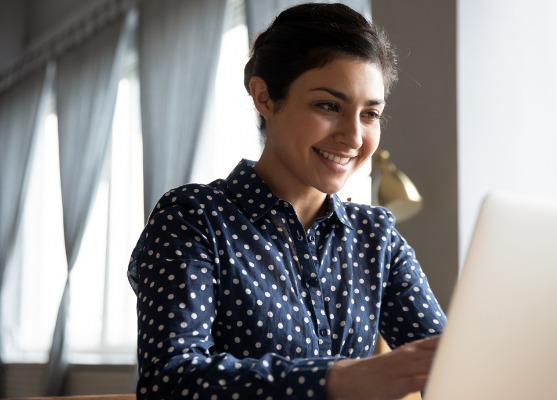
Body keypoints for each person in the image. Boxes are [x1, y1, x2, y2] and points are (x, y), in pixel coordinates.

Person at [127, 3, 447, 399]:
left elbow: (448, 365)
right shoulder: (194, 217)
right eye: (328, 106)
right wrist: (340, 379)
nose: (353, 136)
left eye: (370, 114)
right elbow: (169, 380)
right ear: (264, 97)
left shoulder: (375, 236)